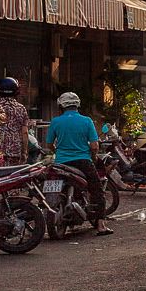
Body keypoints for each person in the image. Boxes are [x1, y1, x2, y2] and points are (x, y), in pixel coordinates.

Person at [47, 92, 112, 236]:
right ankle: (101, 224)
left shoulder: (55, 121)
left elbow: (49, 144)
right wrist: (93, 158)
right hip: (82, 161)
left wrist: (58, 151)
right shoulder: (86, 121)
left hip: (60, 162)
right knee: (97, 190)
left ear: (61, 106)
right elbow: (94, 146)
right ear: (77, 105)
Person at [0, 77, 30, 166]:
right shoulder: (21, 108)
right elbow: (25, 132)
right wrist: (24, 152)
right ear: (16, 91)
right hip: (15, 151)